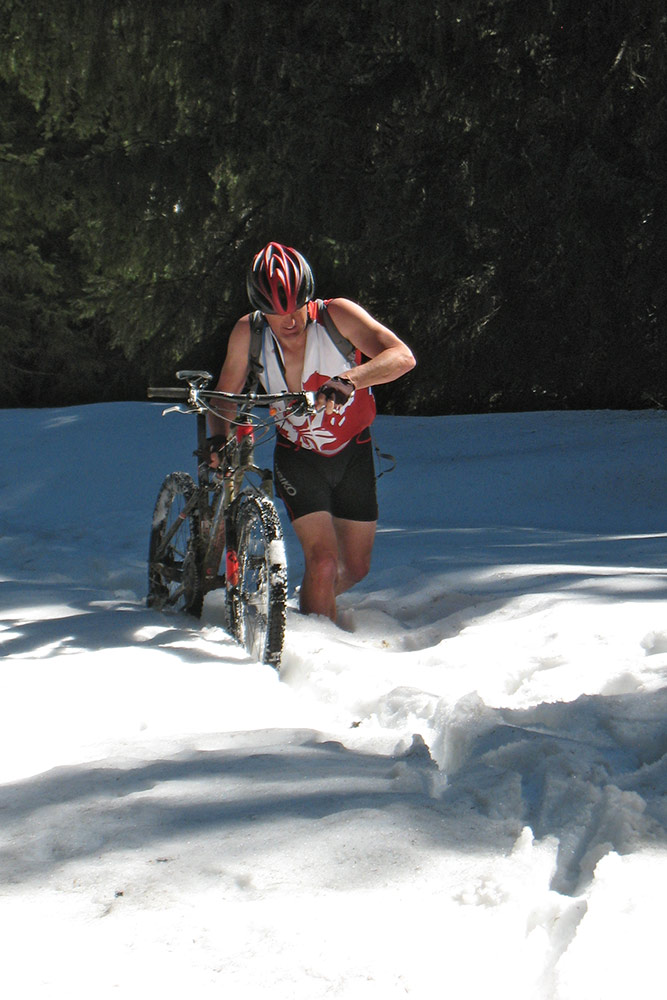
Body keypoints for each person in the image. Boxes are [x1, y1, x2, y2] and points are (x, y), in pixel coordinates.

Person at [207, 241, 416, 621]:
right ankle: (317, 659)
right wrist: (220, 437)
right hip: (298, 457)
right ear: (260, 309)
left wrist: (350, 379)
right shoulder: (248, 333)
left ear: (309, 298)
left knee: (355, 569)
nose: (288, 321)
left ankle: (309, 612)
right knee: (321, 562)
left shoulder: (337, 316)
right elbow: (225, 396)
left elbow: (401, 356)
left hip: (354, 452)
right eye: (275, 312)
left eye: (296, 308)